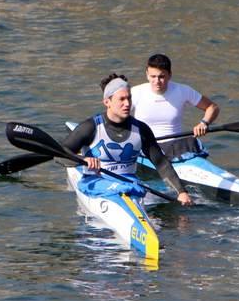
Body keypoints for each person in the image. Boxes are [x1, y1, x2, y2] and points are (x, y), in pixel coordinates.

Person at [62, 73, 193, 206]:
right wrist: (82, 160)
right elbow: (60, 155)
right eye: (122, 99)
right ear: (107, 102)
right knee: (128, 190)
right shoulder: (90, 127)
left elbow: (161, 163)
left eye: (129, 98)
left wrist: (181, 192)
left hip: (128, 182)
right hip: (96, 181)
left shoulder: (141, 129)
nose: (127, 104)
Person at [131, 53, 220, 159]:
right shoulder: (136, 92)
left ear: (169, 75)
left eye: (161, 77)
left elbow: (212, 107)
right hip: (145, 147)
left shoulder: (182, 91)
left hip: (174, 147)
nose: (157, 81)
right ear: (147, 75)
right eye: (153, 76)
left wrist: (204, 123)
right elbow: (117, 115)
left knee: (192, 141)